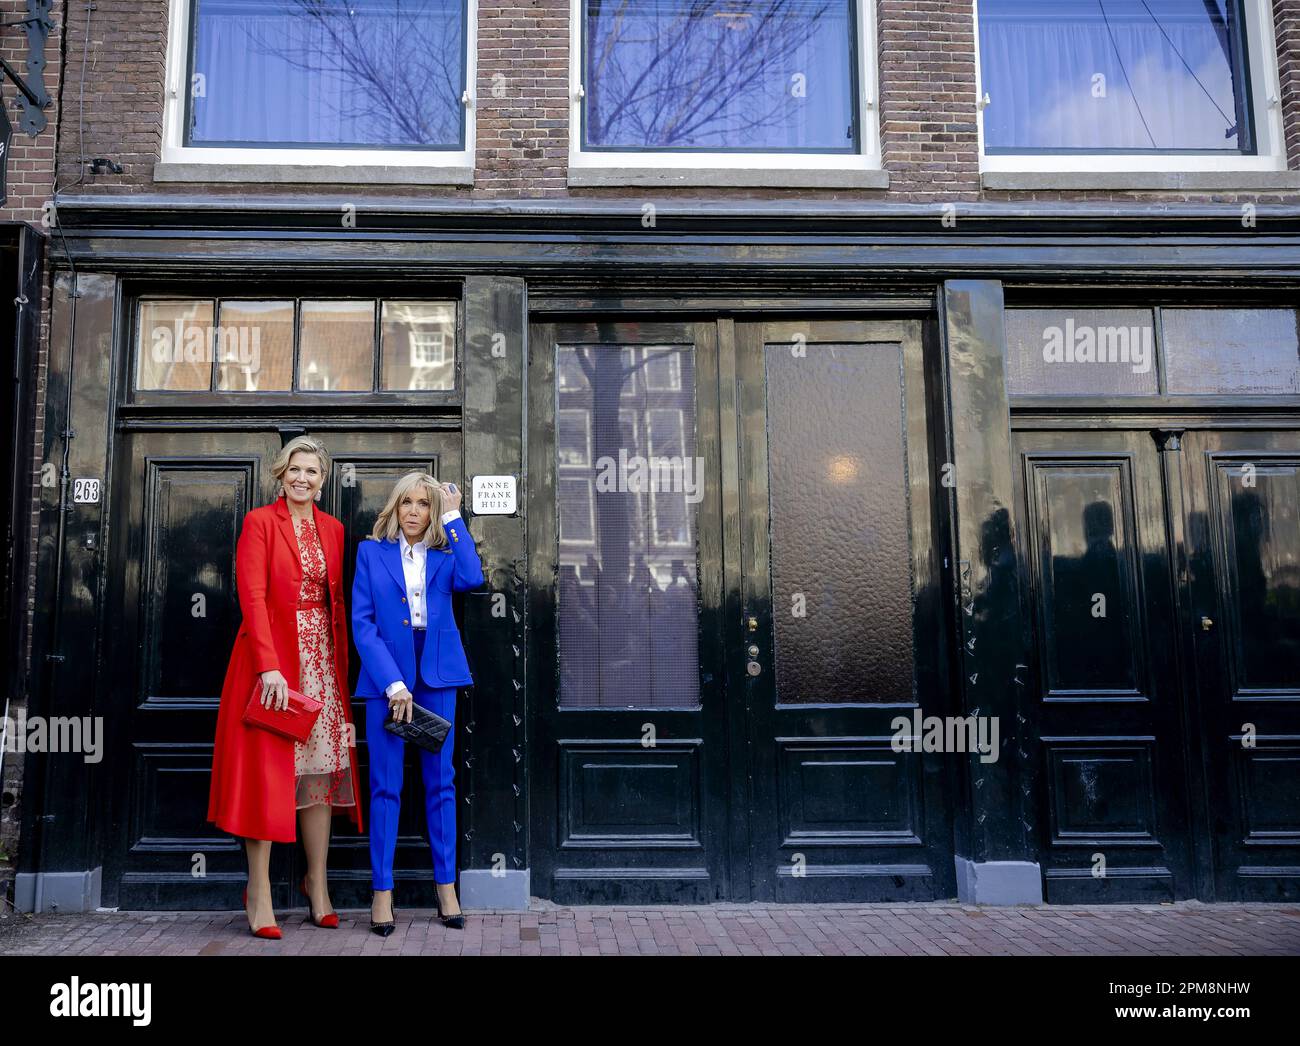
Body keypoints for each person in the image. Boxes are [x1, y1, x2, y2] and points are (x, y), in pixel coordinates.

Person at [207, 435, 361, 938]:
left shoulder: (335, 530)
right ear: (281, 473)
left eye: (312, 472)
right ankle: (260, 891)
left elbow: (335, 605)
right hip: (270, 664)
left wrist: (342, 681)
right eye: (295, 469)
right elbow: (251, 596)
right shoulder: (259, 523)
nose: (302, 478)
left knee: (319, 779)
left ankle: (317, 884)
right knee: (269, 777)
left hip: (321, 662)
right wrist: (268, 666)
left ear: (322, 480)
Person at [352, 471, 483, 934]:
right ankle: (382, 891)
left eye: (423, 504)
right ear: (395, 507)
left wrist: (453, 515)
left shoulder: (446, 557)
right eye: (406, 502)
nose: (413, 511)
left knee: (440, 784)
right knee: (385, 787)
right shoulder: (371, 553)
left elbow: (474, 576)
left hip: (437, 675)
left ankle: (445, 886)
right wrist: (392, 684)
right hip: (388, 679)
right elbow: (363, 624)